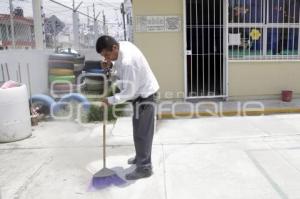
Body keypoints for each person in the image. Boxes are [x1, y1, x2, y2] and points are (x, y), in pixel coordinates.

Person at [96, 35, 159, 180]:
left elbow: (128, 92)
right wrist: (111, 66)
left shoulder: (128, 62)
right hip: (139, 94)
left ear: (114, 48)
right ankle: (140, 157)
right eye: (103, 56)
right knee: (138, 130)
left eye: (107, 55)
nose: (106, 58)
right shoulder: (122, 46)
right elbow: (120, 70)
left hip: (145, 96)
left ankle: (145, 167)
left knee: (143, 133)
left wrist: (109, 100)